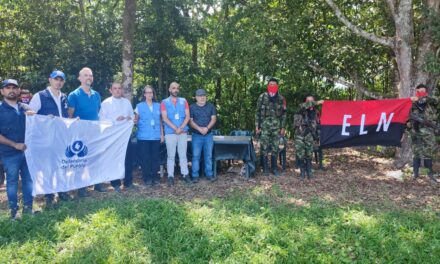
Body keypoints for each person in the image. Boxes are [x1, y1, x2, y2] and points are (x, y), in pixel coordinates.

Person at [29, 70, 70, 206]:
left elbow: (64, 117)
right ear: (50, 80)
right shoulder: (40, 96)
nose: (58, 82)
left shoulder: (64, 97)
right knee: (48, 167)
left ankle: (62, 190)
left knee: (61, 164)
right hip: (46, 138)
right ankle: (49, 194)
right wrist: (45, 120)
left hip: (61, 137)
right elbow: (31, 115)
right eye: (56, 79)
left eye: (61, 80)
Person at [0, 79, 35, 219]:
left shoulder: (25, 108)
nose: (11, 90)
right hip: (9, 154)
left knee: (28, 180)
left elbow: (39, 124)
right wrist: (15, 145)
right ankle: (14, 212)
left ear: (19, 90)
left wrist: (42, 118)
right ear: (2, 91)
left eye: (14, 87)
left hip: (28, 153)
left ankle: (28, 209)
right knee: (12, 182)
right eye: (8, 88)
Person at [67, 67, 105, 196]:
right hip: (80, 134)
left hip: (95, 133)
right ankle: (81, 187)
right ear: (80, 78)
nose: (89, 77)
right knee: (81, 160)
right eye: (86, 75)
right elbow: (70, 115)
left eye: (91, 75)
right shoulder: (74, 95)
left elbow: (98, 112)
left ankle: (97, 184)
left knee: (96, 158)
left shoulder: (97, 95)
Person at [99, 82, 135, 192]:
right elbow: (102, 120)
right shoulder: (106, 103)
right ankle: (115, 183)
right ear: (111, 90)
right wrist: (115, 120)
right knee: (114, 159)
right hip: (113, 137)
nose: (117, 90)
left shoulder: (126, 102)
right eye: (115, 88)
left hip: (125, 136)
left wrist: (129, 118)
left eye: (119, 88)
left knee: (128, 159)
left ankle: (128, 182)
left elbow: (132, 116)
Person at [161, 82, 190, 186]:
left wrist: (181, 128)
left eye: (177, 88)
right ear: (169, 89)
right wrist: (175, 128)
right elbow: (164, 118)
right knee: (170, 156)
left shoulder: (184, 101)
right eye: (173, 88)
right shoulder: (164, 102)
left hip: (182, 132)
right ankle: (170, 176)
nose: (175, 90)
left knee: (183, 155)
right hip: (170, 133)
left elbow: (187, 116)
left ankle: (185, 174)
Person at [255, 78, 286, 176]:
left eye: (274, 84)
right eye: (270, 84)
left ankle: (274, 168)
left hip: (276, 127)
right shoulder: (262, 97)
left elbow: (284, 114)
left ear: (277, 86)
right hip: (264, 127)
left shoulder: (281, 98)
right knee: (264, 147)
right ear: (268, 85)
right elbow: (257, 112)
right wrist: (257, 126)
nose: (272, 86)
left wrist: (283, 127)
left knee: (275, 147)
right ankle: (265, 168)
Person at [134, 85, 164, 186]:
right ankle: (147, 178)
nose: (149, 94)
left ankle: (155, 178)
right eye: (147, 92)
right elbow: (136, 120)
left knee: (155, 158)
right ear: (144, 94)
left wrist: (162, 134)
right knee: (145, 158)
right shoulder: (139, 106)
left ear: (153, 94)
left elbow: (160, 121)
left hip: (155, 136)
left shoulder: (158, 105)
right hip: (143, 136)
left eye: (151, 92)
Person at [409, 84, 438, 184]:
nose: (421, 93)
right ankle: (415, 174)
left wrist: (424, 98)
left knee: (428, 154)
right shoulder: (411, 103)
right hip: (415, 131)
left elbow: (435, 100)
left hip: (428, 133)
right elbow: (406, 117)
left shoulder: (431, 102)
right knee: (416, 153)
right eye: (419, 91)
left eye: (423, 91)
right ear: (416, 91)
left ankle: (429, 175)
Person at [189, 89, 217, 183]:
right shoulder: (192, 107)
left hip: (208, 135)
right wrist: (199, 129)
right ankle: (195, 176)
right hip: (196, 135)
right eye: (200, 96)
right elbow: (190, 121)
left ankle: (209, 174)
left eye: (204, 95)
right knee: (196, 156)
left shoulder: (211, 106)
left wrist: (207, 128)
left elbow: (213, 119)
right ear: (196, 97)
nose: (202, 97)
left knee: (208, 156)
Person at [294, 97, 324, 180]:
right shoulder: (301, 107)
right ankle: (302, 173)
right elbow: (304, 106)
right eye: (308, 101)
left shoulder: (316, 112)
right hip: (300, 135)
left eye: (312, 100)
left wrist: (317, 137)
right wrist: (317, 102)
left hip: (310, 135)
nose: (310, 102)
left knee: (309, 154)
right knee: (301, 154)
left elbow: (318, 124)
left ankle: (309, 171)